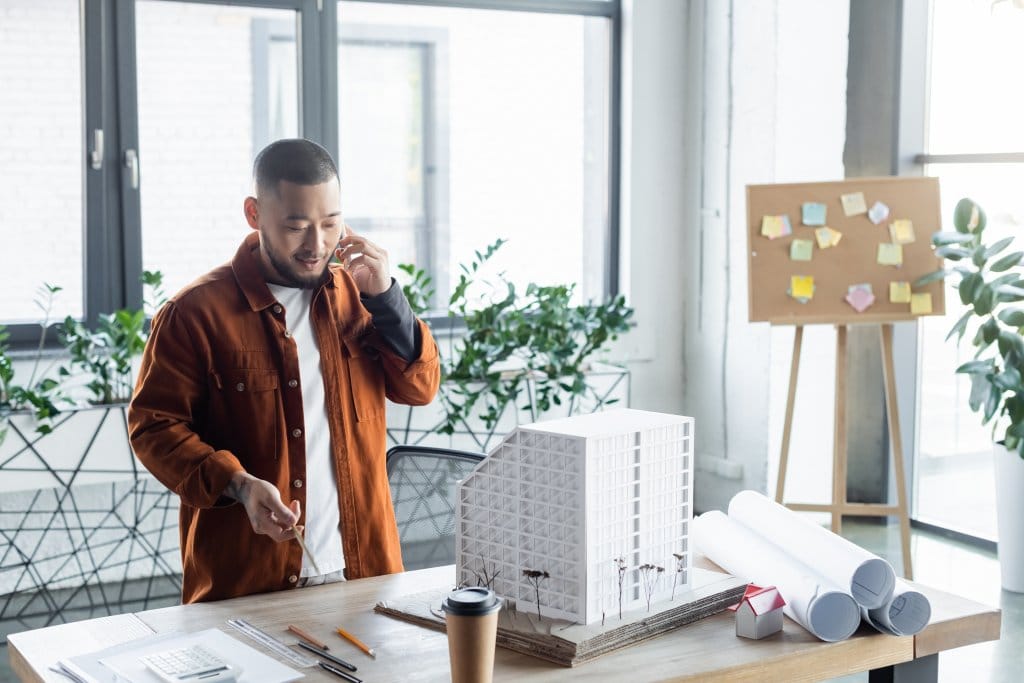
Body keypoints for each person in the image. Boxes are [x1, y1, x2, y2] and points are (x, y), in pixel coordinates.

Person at [128, 139, 440, 603]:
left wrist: (388, 299)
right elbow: (153, 429)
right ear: (254, 214)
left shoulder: (361, 295)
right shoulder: (195, 313)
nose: (317, 245)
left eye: (330, 224)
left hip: (366, 572)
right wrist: (238, 484)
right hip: (248, 583)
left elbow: (420, 388)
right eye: (296, 227)